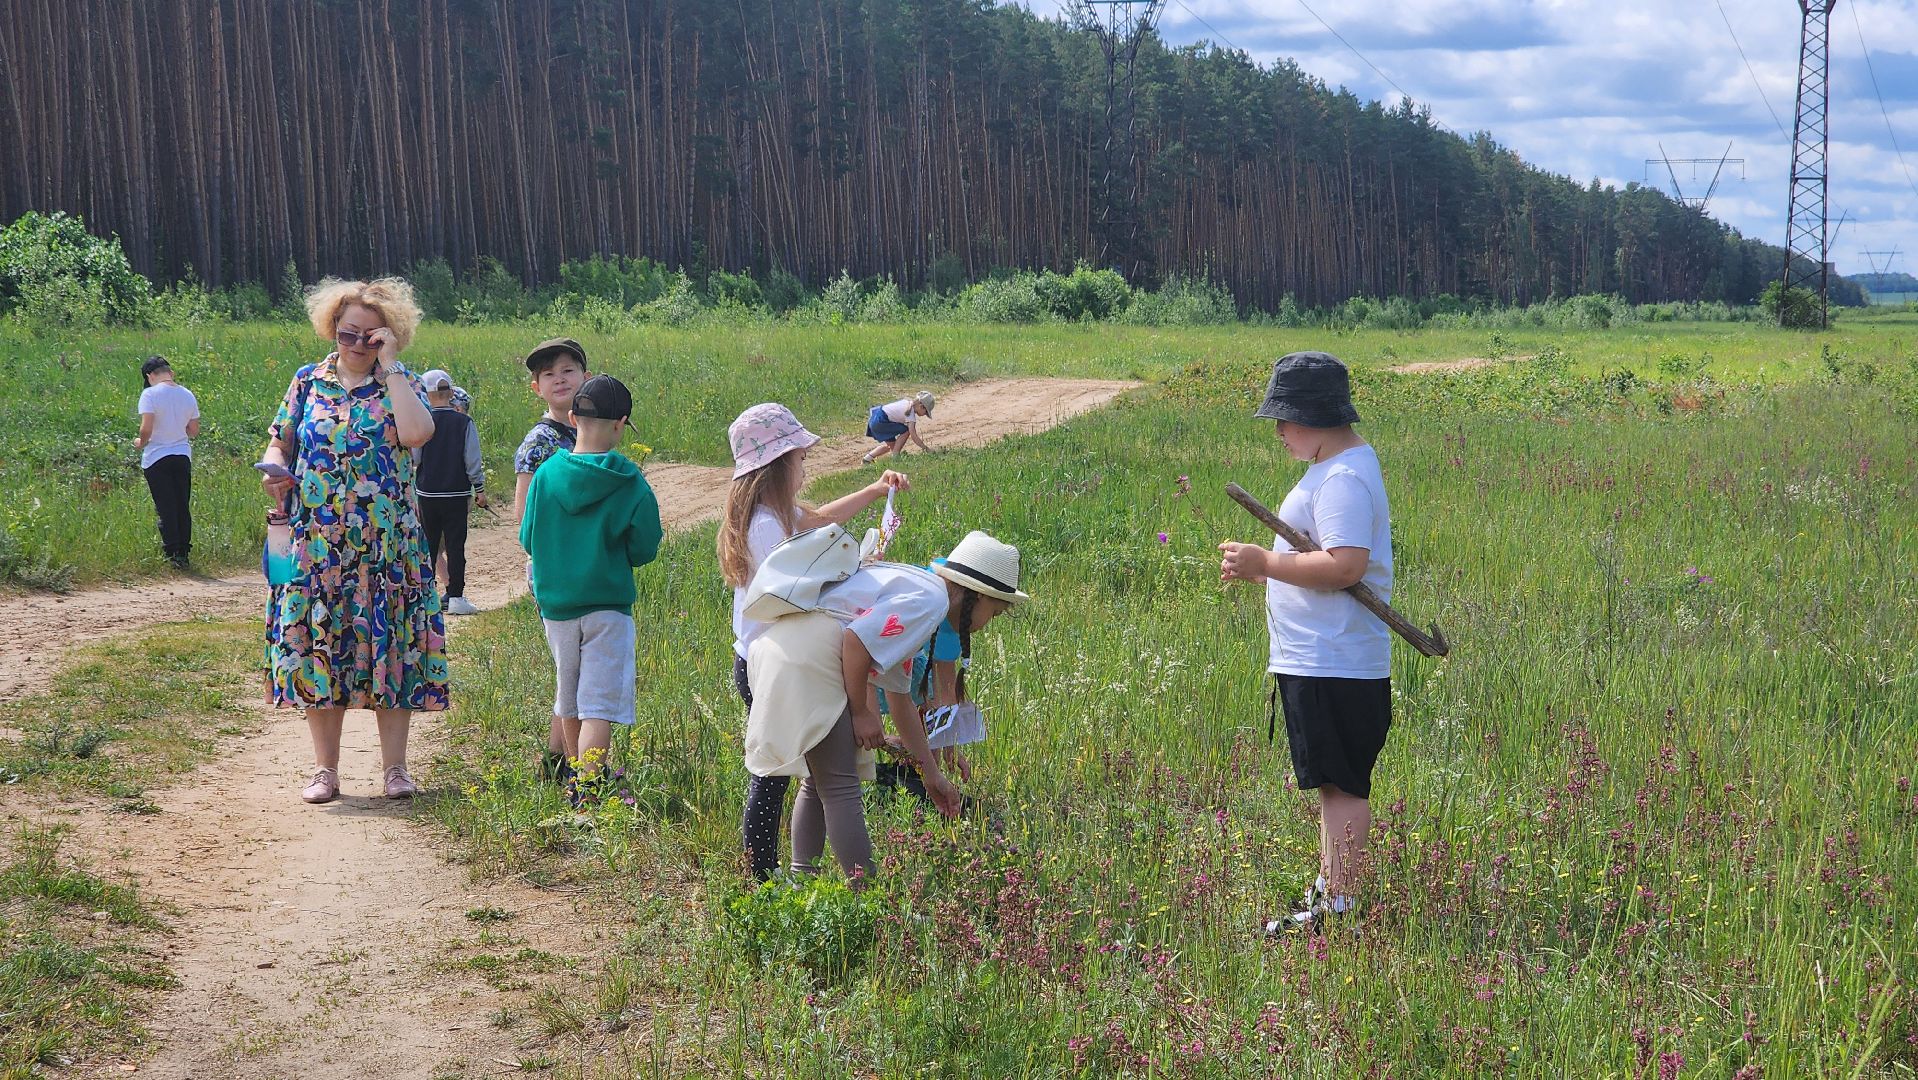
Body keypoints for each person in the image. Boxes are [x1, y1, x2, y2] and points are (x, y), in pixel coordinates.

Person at [1217, 351, 1394, 934]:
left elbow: (1346, 566)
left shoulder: (1343, 477)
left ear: (1314, 417)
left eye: (1284, 420)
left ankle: (1340, 910)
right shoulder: (1337, 469)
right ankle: (1331, 892)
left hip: (1335, 661)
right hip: (1324, 658)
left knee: (1342, 783)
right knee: (1331, 783)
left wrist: (1265, 562)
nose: (1279, 433)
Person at [743, 530, 1027, 883]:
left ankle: (803, 886)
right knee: (841, 786)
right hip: (812, 658)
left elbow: (899, 697)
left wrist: (932, 775)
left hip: (785, 650)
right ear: (975, 596)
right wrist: (861, 712)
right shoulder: (930, 602)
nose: (988, 624)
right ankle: (868, 899)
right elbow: (855, 641)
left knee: (819, 783)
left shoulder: (921, 591)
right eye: (994, 612)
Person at [258, 277, 445, 805]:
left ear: (390, 335)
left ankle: (395, 770)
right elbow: (280, 440)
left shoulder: (399, 381)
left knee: (392, 647)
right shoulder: (306, 380)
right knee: (317, 648)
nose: (358, 344)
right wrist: (273, 468)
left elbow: (415, 434)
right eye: (348, 333)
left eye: (371, 335)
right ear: (332, 330)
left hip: (387, 546)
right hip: (316, 544)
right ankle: (325, 771)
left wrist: (391, 372)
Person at [717, 402, 908, 880]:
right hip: (772, 663)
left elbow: (821, 519)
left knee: (792, 771)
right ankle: (759, 876)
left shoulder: (775, 514)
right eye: (800, 459)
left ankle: (784, 874)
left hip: (777, 660)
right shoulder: (764, 527)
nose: (805, 467)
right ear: (779, 465)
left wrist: (873, 488)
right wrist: (850, 577)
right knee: (772, 772)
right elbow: (793, 594)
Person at [519, 374, 662, 804]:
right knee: (599, 702)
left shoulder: (545, 474)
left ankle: (576, 781)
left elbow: (527, 537)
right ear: (620, 424)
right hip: (608, 607)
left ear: (574, 416)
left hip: (557, 607)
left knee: (569, 695)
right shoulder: (630, 480)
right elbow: (645, 546)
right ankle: (589, 786)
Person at [513, 338, 589, 780]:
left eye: (567, 370)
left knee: (574, 669)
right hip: (555, 571)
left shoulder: (590, 430)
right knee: (571, 670)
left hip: (590, 569)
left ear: (585, 377)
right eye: (548, 375)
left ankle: (557, 761)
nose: (559, 379)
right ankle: (572, 768)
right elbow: (524, 518)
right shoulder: (539, 443)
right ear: (536, 388)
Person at [416, 369, 487, 616]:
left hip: (427, 493)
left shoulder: (423, 420)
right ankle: (456, 596)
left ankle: (426, 596)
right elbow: (472, 460)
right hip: (457, 494)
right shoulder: (464, 422)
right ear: (450, 392)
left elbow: (415, 457)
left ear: (426, 393)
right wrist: (479, 489)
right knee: (456, 546)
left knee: (428, 546)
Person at [134, 356, 200, 570]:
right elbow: (193, 431)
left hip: (156, 457)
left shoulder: (149, 394)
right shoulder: (187, 395)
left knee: (166, 506)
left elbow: (146, 428)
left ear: (150, 376)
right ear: (170, 373)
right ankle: (184, 550)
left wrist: (140, 442)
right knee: (182, 503)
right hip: (182, 455)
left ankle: (172, 552)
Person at [859, 390, 935, 464]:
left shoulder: (906, 402)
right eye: (926, 412)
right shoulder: (910, 414)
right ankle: (895, 456)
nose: (924, 415)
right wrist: (925, 448)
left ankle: (867, 459)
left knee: (892, 446)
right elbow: (913, 435)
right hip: (881, 421)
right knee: (907, 430)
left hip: (875, 418)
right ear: (921, 407)